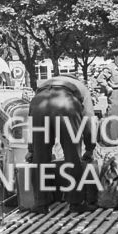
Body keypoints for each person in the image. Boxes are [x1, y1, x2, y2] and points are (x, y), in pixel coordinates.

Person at [26, 74, 96, 211]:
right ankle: (76, 203)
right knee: (72, 156)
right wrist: (90, 148)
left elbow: (30, 121)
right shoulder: (82, 87)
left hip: (39, 104)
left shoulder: (45, 84)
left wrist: (31, 149)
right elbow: (88, 121)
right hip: (65, 105)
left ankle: (40, 203)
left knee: (40, 158)